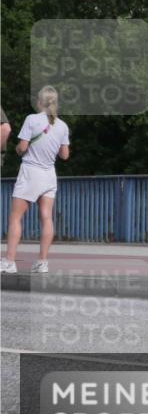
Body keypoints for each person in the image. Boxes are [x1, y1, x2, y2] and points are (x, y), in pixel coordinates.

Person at [1, 87, 70, 274]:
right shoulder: (62, 126)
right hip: (49, 174)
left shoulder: (31, 120)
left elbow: (23, 147)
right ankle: (42, 262)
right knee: (46, 217)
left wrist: (16, 149)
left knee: (15, 217)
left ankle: (9, 261)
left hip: (31, 172)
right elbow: (64, 155)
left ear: (40, 101)